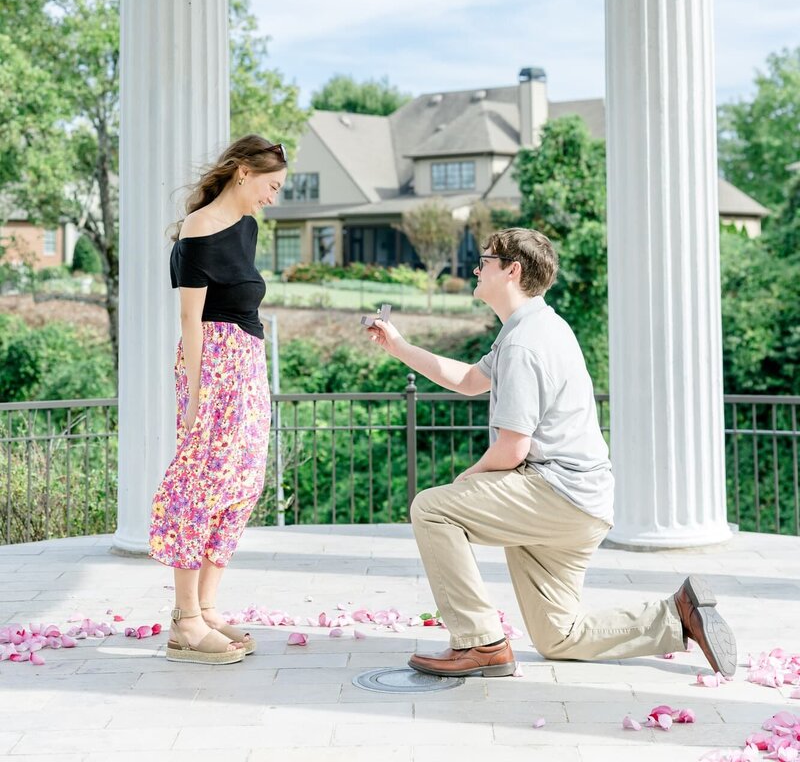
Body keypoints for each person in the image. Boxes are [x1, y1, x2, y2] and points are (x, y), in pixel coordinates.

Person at [366, 227, 737, 679]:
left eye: (484, 260)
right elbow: (467, 381)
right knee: (559, 636)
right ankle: (677, 615)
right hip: (581, 502)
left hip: (555, 493)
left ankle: (479, 642)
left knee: (432, 508)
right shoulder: (533, 328)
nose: (476, 268)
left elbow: (512, 446)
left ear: (512, 270)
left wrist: (468, 479)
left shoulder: (524, 343)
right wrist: (398, 345)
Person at [149, 135, 288, 665]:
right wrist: (194, 394)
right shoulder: (199, 229)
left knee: (243, 482)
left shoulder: (247, 228)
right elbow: (190, 319)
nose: (272, 197)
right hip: (212, 364)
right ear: (243, 173)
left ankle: (206, 609)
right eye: (271, 186)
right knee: (199, 483)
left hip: (249, 365)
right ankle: (184, 622)